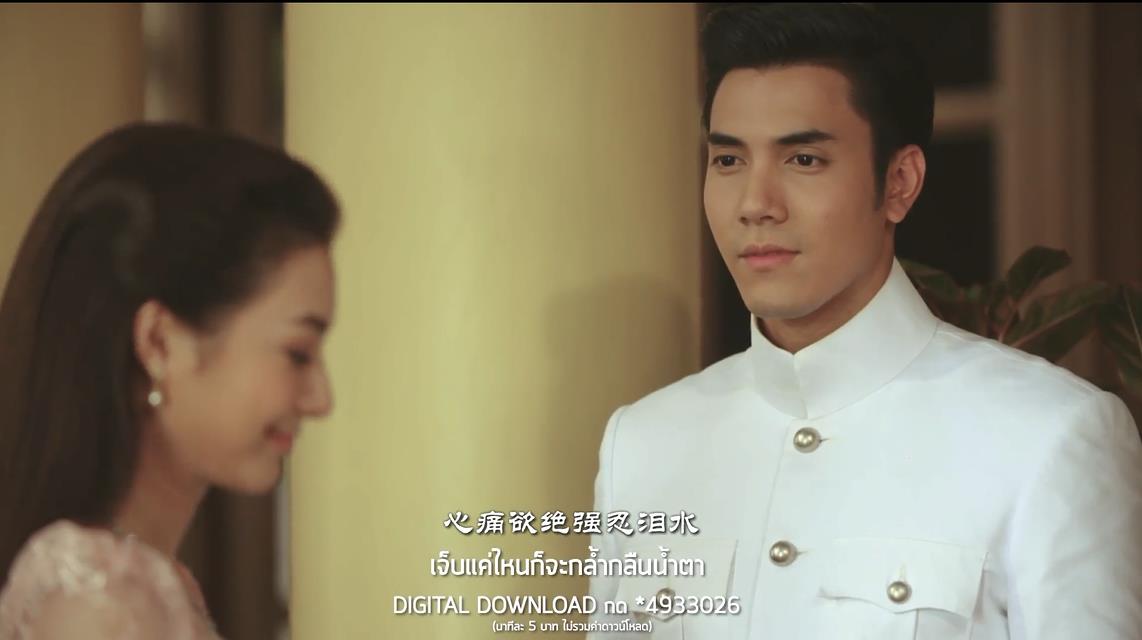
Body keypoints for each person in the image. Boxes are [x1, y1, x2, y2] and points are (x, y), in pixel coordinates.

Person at [588, 4, 1142, 639]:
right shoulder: (644, 443)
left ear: (899, 182)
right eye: (728, 161)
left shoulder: (1049, 437)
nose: (755, 204)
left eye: (803, 160)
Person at [0, 123, 339, 639]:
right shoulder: (99, 605)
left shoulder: (149, 586)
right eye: (297, 353)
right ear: (159, 342)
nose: (321, 399)